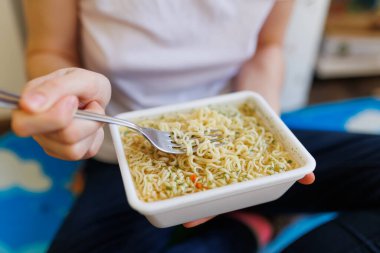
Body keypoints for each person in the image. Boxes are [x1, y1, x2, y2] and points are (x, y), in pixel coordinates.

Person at [11, 0, 380, 252]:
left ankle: (251, 210)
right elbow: (50, 49)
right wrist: (69, 105)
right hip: (119, 147)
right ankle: (245, 230)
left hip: (235, 135)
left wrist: (263, 135)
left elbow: (267, 46)